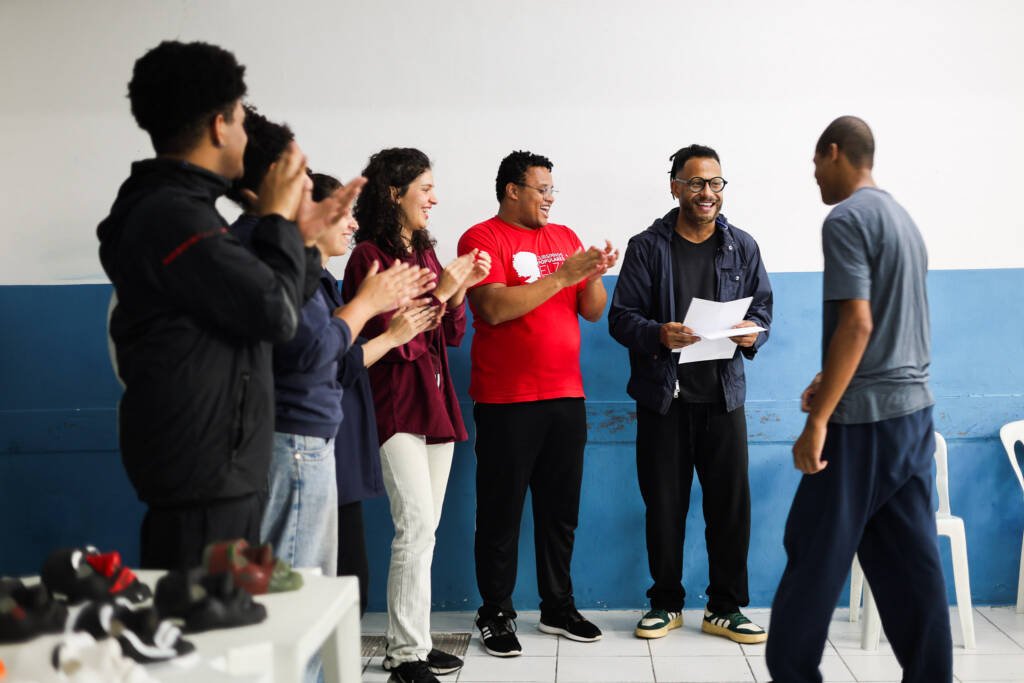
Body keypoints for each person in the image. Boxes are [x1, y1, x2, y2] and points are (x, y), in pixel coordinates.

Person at [98, 41, 323, 570]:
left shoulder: (186, 212)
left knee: (224, 632)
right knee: (203, 639)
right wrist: (276, 222)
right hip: (201, 472)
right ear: (220, 126)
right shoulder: (172, 216)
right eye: (242, 120)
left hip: (218, 469)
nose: (247, 136)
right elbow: (277, 313)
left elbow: (276, 303)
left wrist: (301, 239)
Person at [765, 116, 952, 683]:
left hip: (862, 426)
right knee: (911, 568)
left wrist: (820, 418)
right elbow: (894, 325)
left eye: (815, 164)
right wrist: (831, 375)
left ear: (835, 152)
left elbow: (860, 322)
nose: (815, 178)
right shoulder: (902, 219)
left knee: (812, 559)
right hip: (913, 416)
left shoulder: (845, 218)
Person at [225, 112, 431, 580]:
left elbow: (331, 354)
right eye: (299, 183)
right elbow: (315, 354)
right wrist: (368, 306)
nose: (345, 219)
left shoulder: (303, 268)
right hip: (292, 436)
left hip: (316, 435)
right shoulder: (266, 254)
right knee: (301, 589)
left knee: (325, 588)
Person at [608, 144, 772, 644]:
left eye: (716, 183)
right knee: (664, 504)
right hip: (665, 398)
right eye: (697, 183)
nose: (707, 193)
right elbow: (620, 318)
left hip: (723, 397)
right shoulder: (647, 247)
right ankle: (665, 603)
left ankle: (724, 607)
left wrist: (753, 335)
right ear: (675, 186)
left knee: (730, 506)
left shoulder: (741, 246)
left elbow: (762, 310)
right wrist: (659, 333)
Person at [457, 150, 618, 657]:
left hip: (566, 396)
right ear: (512, 190)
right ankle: (496, 613)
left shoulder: (565, 237)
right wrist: (563, 277)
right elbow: (494, 308)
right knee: (501, 512)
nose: (550, 198)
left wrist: (591, 273)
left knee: (559, 510)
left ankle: (557, 606)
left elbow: (592, 312)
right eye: (541, 189)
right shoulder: (481, 238)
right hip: (507, 401)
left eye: (553, 190)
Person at [343, 148, 490, 683]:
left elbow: (448, 336)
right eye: (424, 188)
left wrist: (460, 289)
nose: (434, 198)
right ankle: (404, 655)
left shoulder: (426, 252)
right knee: (414, 526)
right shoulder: (367, 257)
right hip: (394, 404)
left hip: (435, 401)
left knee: (424, 531)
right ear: (393, 193)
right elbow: (392, 340)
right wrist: (447, 291)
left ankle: (416, 643)